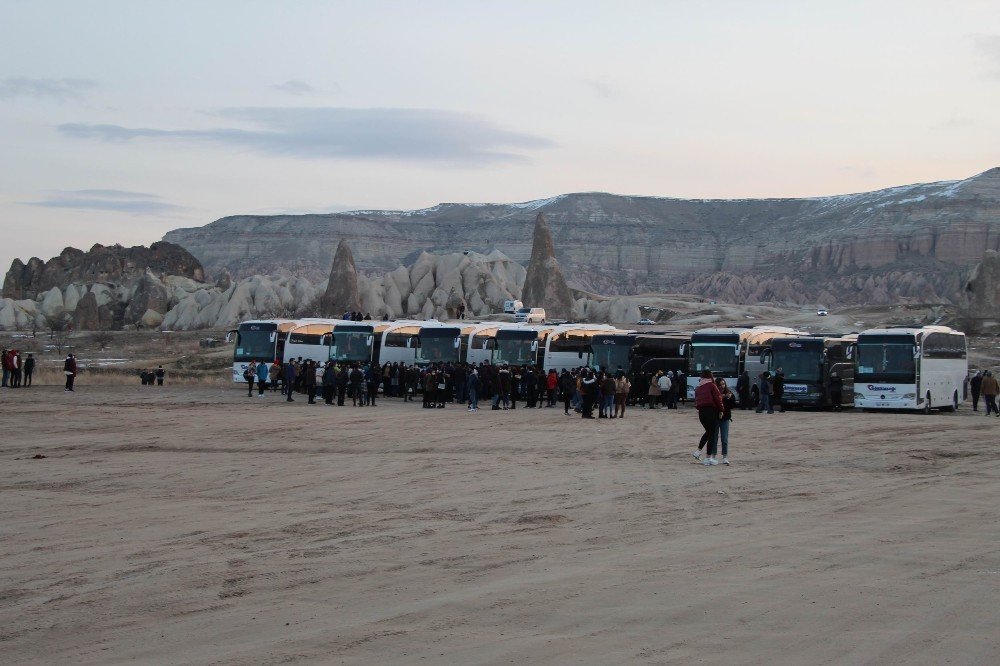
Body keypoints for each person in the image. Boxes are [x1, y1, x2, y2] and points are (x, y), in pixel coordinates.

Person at [692, 370, 723, 465]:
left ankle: (698, 452)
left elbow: (696, 402)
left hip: (701, 412)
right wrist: (721, 409)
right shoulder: (712, 385)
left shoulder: (698, 387)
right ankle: (708, 458)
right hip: (711, 411)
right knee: (712, 435)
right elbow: (718, 398)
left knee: (709, 432)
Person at [716, 377, 735, 465]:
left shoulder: (729, 393)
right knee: (714, 438)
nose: (722, 386)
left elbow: (733, 405)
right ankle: (712, 455)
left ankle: (725, 456)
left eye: (723, 384)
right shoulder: (714, 393)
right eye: (720, 385)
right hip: (715, 418)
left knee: (724, 438)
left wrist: (730, 398)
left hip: (725, 418)